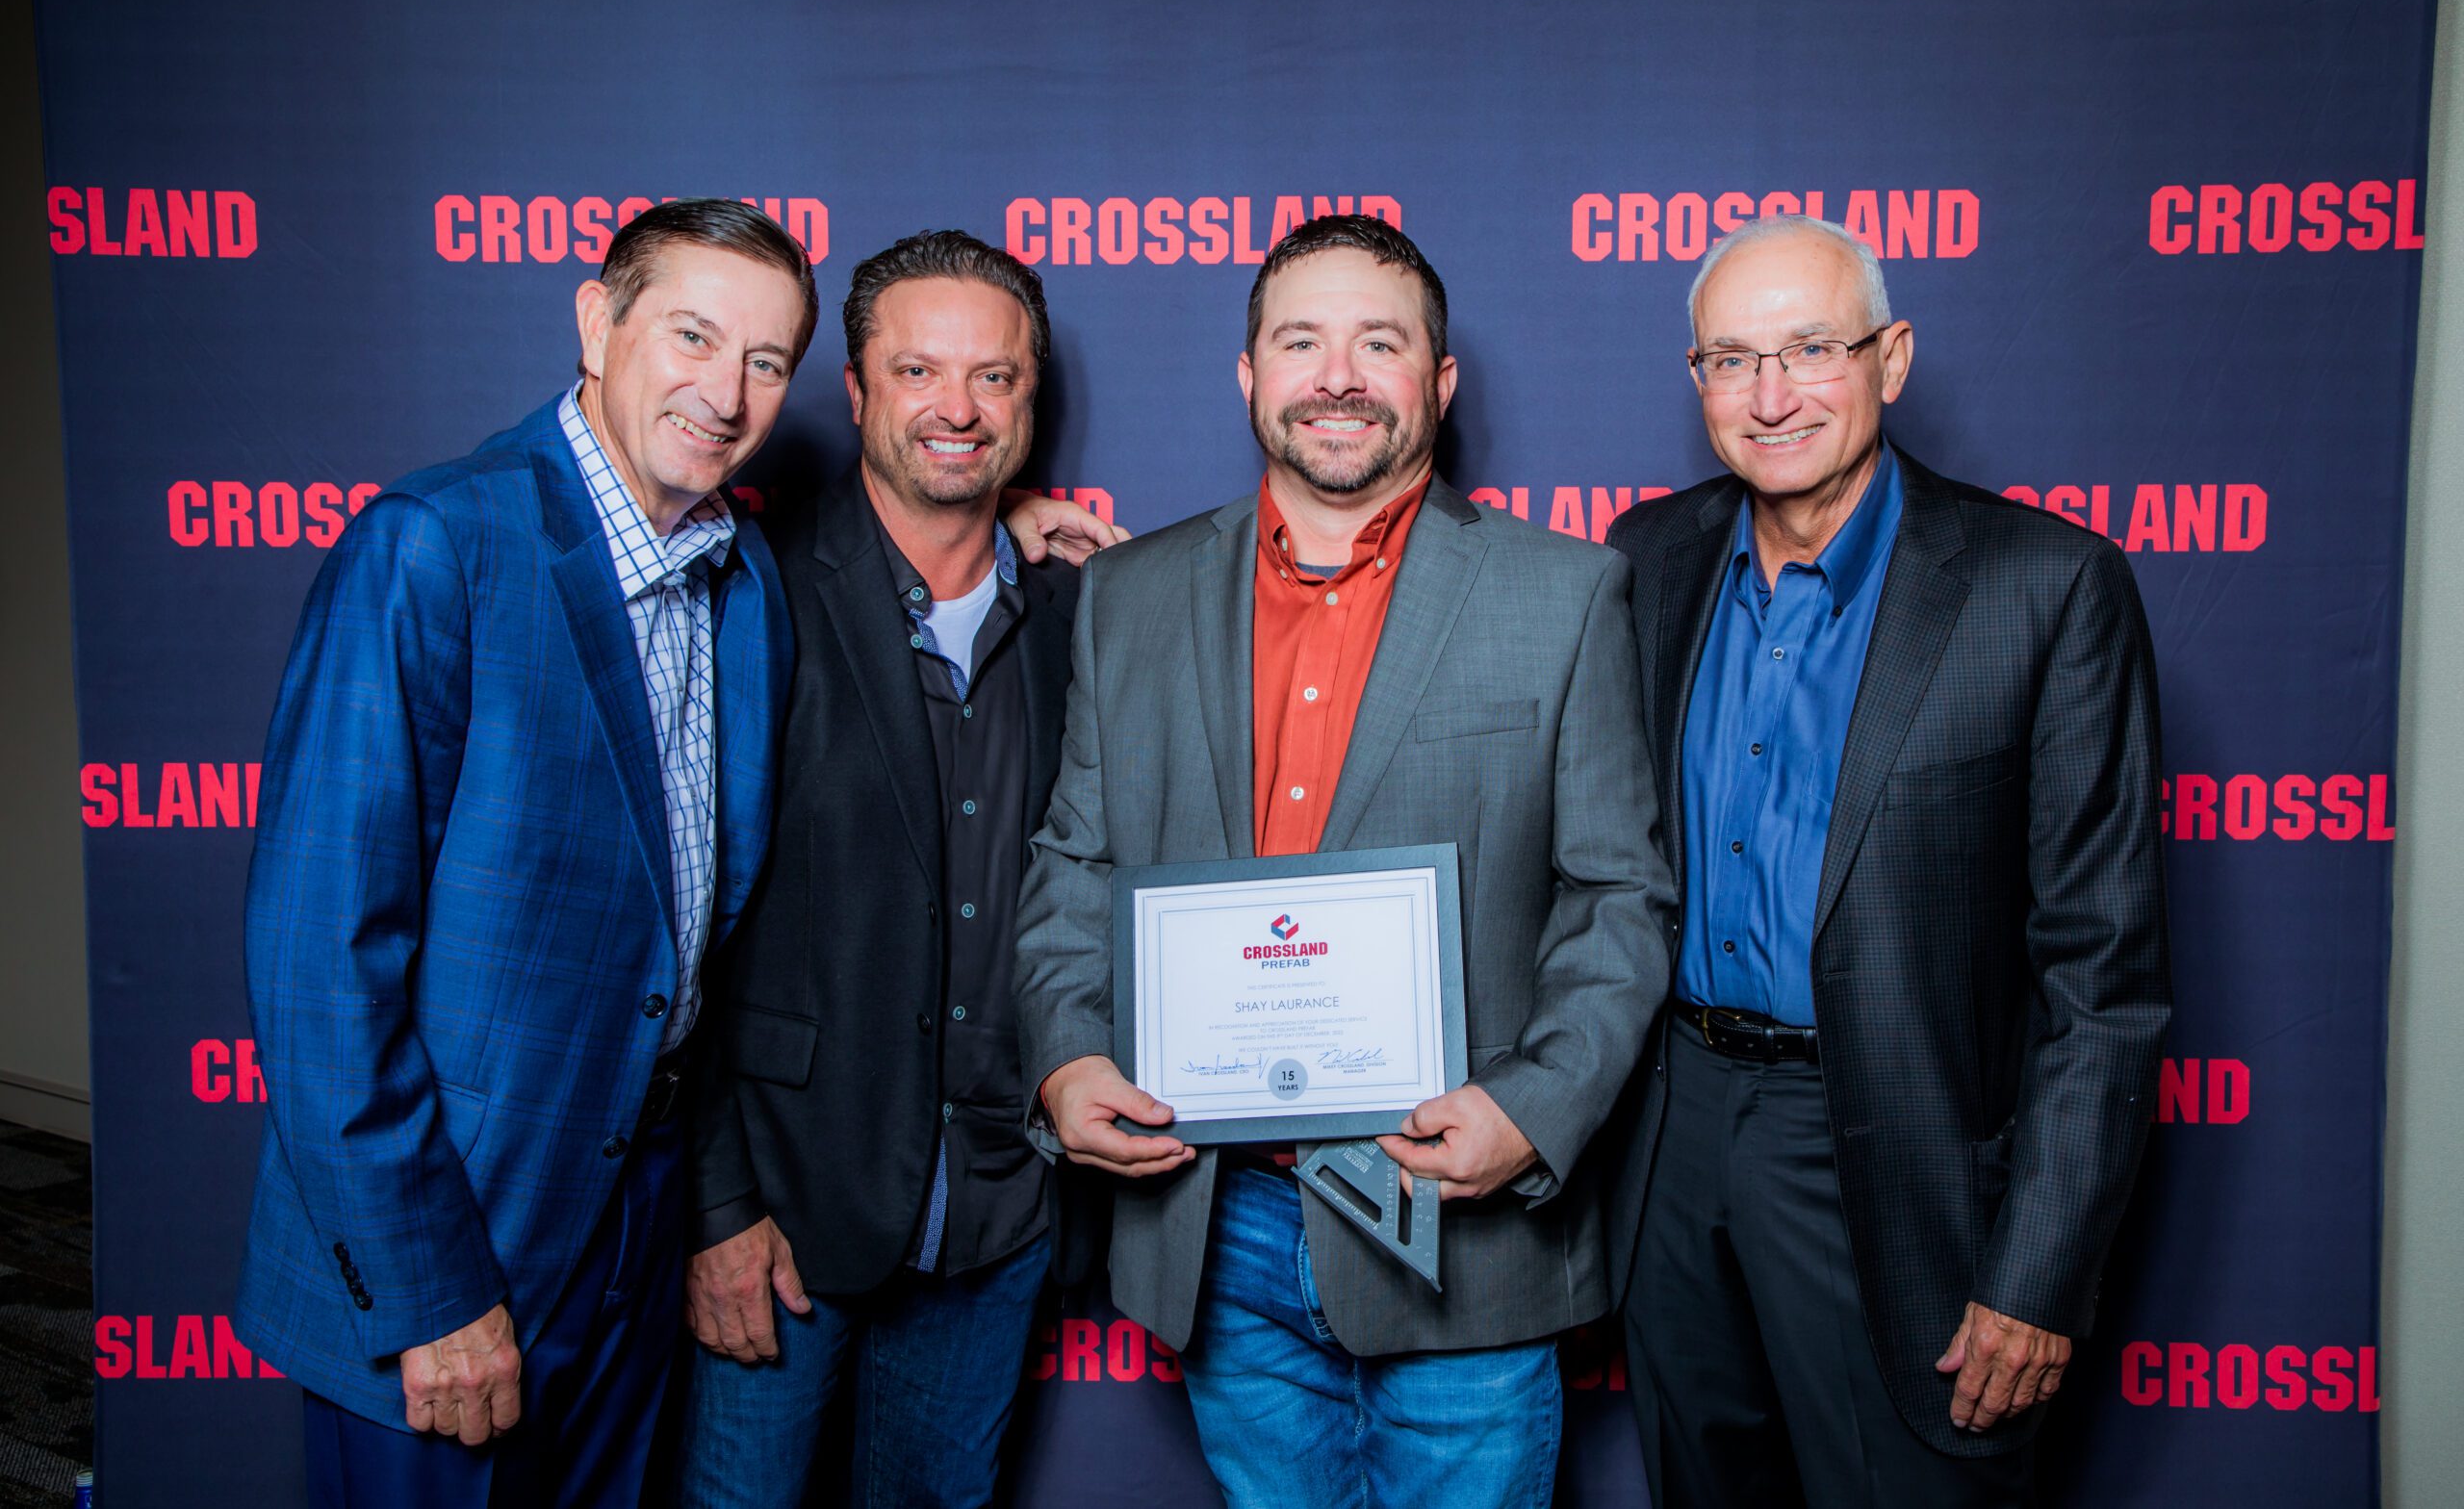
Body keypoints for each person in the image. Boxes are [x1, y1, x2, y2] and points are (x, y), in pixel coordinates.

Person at [234, 201, 1117, 1509]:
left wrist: (1022, 520)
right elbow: (320, 969)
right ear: (598, 320)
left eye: (764, 360)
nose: (726, 389)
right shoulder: (437, 544)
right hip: (467, 1236)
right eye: (694, 336)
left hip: (630, 1234)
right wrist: (426, 1284)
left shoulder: (730, 577)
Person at [1014, 214, 1673, 1508]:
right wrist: (1066, 1052)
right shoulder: (1130, 595)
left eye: (1381, 343)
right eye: (1300, 340)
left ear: (1439, 382)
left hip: (1458, 1218)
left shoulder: (1565, 594)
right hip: (1220, 1226)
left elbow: (1619, 900)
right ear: (1248, 375)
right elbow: (1073, 861)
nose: (1339, 375)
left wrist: (1533, 1113)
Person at [1602, 214, 2172, 1508]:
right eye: (1731, 360)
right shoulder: (1648, 559)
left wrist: (2036, 1275)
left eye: (1811, 348)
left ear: (1893, 358)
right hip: (1673, 1134)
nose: (1771, 393)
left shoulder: (2047, 586)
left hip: (1897, 1152)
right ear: (1696, 381)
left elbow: (2106, 981)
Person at [669, 231, 1093, 1507]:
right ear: (854, 393)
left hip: (1000, 1212)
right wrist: (717, 1208)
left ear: (1032, 398)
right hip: (785, 1212)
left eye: (995, 378)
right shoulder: (750, 588)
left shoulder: (1087, 612)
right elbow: (682, 930)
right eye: (918, 371)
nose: (957, 409)